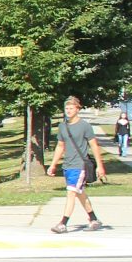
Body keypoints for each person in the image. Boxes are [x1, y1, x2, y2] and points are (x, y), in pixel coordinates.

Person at [45, 95, 108, 233]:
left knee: (71, 193)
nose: (68, 110)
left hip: (80, 166)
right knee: (80, 193)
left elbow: (94, 146)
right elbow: (60, 146)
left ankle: (63, 223)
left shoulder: (85, 126)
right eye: (66, 108)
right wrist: (53, 164)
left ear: (77, 109)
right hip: (67, 165)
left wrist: (100, 166)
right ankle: (93, 219)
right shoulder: (63, 126)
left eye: (71, 108)